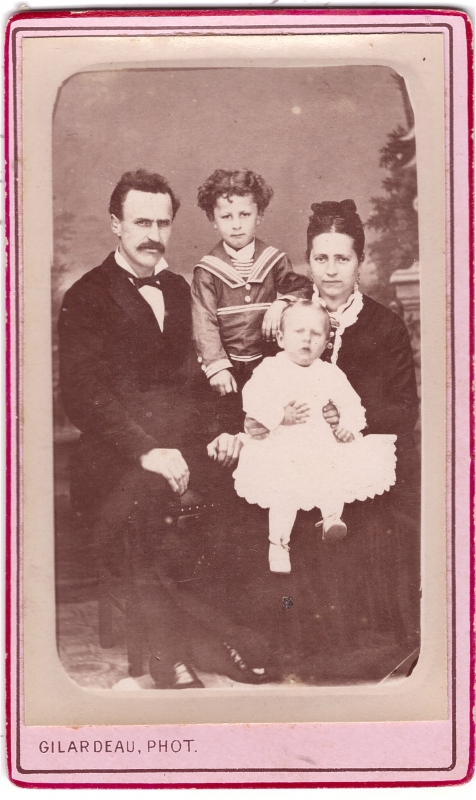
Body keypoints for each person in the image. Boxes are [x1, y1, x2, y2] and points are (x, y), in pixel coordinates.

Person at [58, 169, 263, 689]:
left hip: (186, 444)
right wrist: (148, 451)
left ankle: (230, 638)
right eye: (141, 221)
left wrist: (223, 428)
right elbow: (83, 396)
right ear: (115, 225)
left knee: (249, 488)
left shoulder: (179, 289)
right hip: (116, 457)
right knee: (150, 501)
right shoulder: (86, 296)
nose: (153, 234)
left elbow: (203, 375)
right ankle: (171, 655)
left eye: (163, 222)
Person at [241, 199, 420, 680]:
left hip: (359, 446)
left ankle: (357, 652)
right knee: (267, 509)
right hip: (289, 450)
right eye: (321, 258)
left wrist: (349, 420)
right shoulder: (289, 320)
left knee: (369, 516)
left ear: (360, 261)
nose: (331, 270)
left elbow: (405, 409)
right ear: (308, 261)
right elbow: (260, 384)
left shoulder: (383, 324)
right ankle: (286, 649)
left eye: (342, 258)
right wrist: (258, 423)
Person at [233, 300, 397, 574]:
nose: (307, 339)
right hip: (282, 444)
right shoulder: (270, 369)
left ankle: (332, 518)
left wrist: (348, 425)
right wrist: (279, 416)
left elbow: (351, 403)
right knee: (282, 492)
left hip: (319, 443)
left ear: (326, 343)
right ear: (281, 338)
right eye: (299, 332)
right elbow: (252, 398)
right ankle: (278, 544)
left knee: (333, 473)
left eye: (316, 334)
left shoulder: (329, 372)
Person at [191, 168, 312, 430]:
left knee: (274, 423)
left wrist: (282, 303)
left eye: (245, 214)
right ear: (213, 220)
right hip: (228, 366)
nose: (236, 224)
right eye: (226, 216)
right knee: (231, 426)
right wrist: (217, 366)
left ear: (259, 216)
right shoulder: (207, 270)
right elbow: (204, 322)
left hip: (268, 361)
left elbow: (305, 289)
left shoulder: (273, 260)